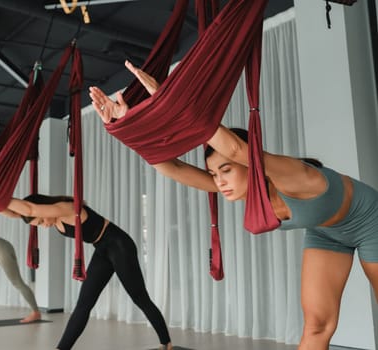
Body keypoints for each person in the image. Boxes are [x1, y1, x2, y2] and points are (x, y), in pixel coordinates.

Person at [89, 61, 378, 350]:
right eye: (214, 174)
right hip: (325, 233)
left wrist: (170, 102)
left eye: (226, 170)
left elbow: (236, 148)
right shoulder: (241, 188)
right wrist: (126, 126)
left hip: (369, 221)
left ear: (247, 162)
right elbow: (174, 169)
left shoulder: (289, 175)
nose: (219, 181)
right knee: (317, 325)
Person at [0, 181, 173, 350]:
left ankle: (166, 342)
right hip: (102, 248)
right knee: (84, 303)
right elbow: (15, 213)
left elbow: (30, 209)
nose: (43, 225)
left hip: (120, 245)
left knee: (139, 297)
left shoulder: (67, 208)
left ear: (44, 209)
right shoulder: (50, 215)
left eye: (41, 221)